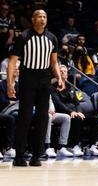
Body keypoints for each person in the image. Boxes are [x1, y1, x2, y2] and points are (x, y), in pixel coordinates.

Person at [6, 9, 64, 167]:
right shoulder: (24, 36)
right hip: (28, 78)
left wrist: (59, 78)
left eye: (45, 16)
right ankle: (19, 155)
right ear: (33, 19)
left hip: (44, 80)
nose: (42, 19)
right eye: (39, 16)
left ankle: (37, 155)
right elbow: (12, 62)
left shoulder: (52, 38)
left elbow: (54, 62)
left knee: (42, 117)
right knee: (24, 117)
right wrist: (10, 83)